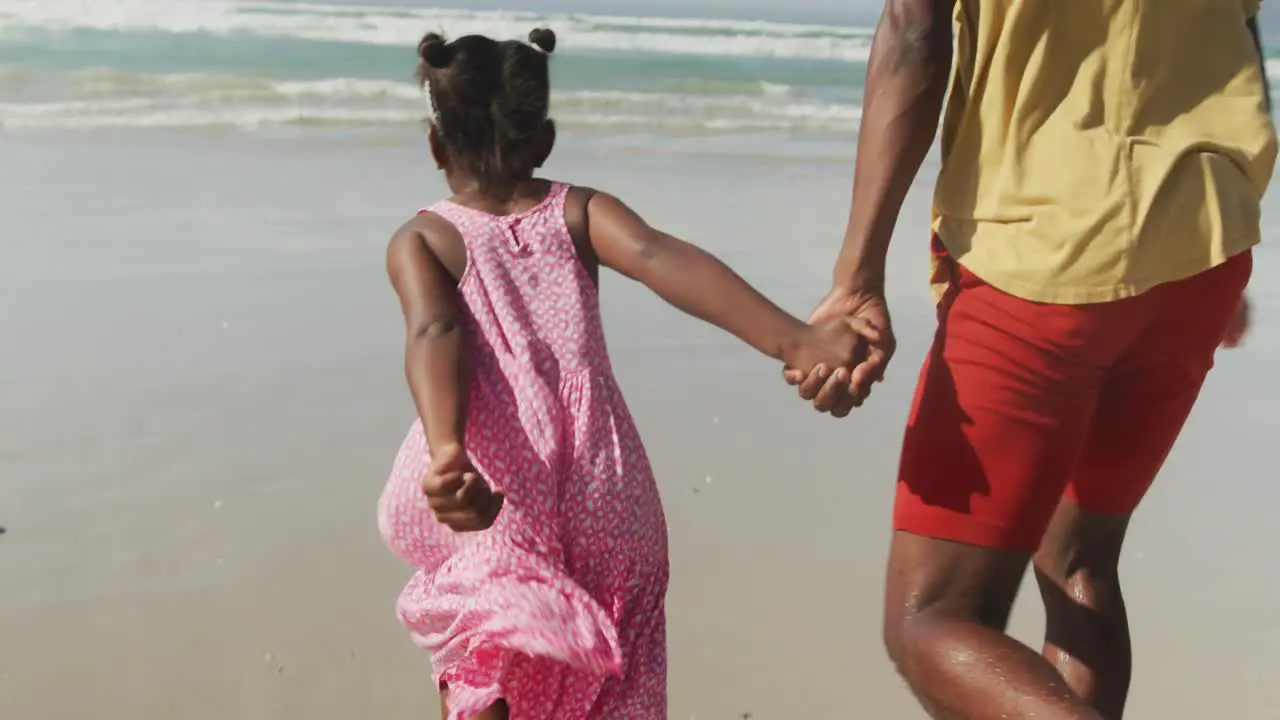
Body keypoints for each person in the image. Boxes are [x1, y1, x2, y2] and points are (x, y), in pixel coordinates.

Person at [785, 1, 1275, 718]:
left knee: (930, 619)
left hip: (1045, 250)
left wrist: (858, 273)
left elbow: (913, 33)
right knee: (1079, 557)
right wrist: (1222, 223)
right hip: (1203, 240)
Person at [377, 28, 869, 720]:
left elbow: (435, 330)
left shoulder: (423, 239)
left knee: (485, 651)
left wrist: (449, 446)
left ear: (435, 145)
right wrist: (796, 339)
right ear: (544, 140)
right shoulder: (579, 211)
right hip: (607, 491)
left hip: (501, 490)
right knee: (618, 678)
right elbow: (659, 256)